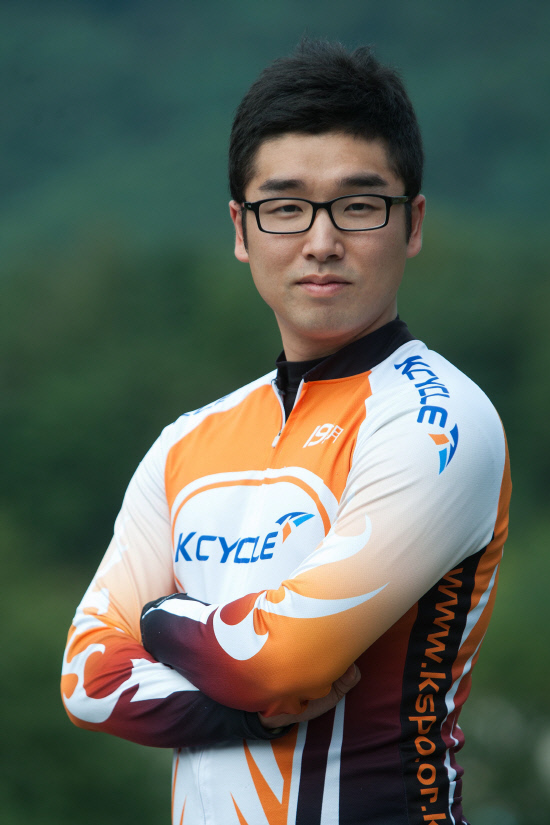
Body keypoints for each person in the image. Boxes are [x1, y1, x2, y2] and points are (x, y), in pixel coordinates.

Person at [61, 40, 511, 825]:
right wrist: (250, 712)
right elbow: (87, 683)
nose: (321, 241)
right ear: (242, 229)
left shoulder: (441, 420)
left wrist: (159, 618)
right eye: (286, 206)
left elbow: (283, 660)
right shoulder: (184, 443)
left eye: (359, 205)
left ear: (412, 224)